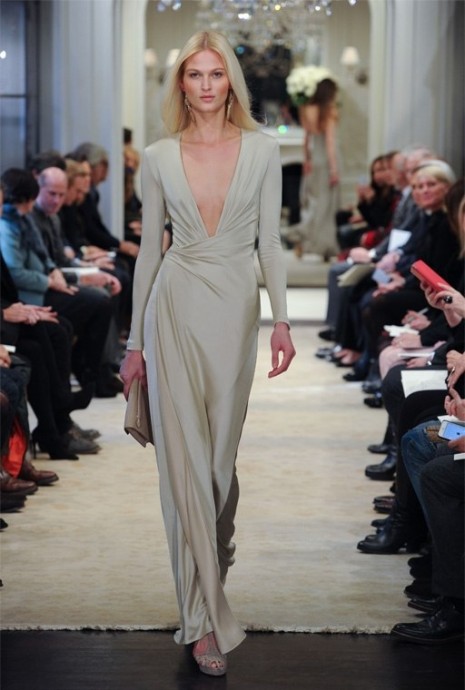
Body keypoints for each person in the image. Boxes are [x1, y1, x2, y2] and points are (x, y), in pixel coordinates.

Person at [119, 30, 295, 677]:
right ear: (181, 85)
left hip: (235, 311)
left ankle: (214, 560)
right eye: (194, 75)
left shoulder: (264, 150)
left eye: (215, 74)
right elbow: (149, 255)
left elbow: (270, 243)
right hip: (174, 306)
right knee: (183, 467)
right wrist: (134, 342)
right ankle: (200, 622)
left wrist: (282, 320)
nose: (205, 85)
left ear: (230, 83)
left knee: (218, 464)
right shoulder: (159, 156)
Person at [290, 73, 341, 259]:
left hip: (314, 160)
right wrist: (334, 169)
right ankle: (323, 245)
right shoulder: (329, 111)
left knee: (313, 203)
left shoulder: (306, 109)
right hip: (327, 160)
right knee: (326, 206)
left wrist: (307, 161)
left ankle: (304, 240)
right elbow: (330, 142)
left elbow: (306, 139)